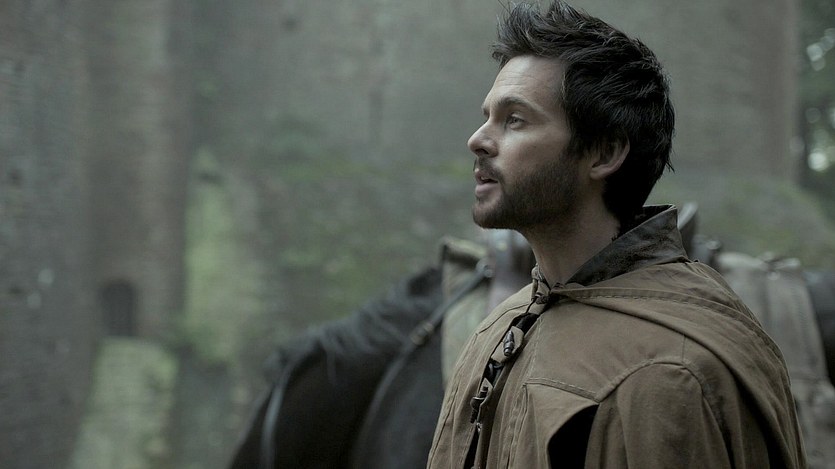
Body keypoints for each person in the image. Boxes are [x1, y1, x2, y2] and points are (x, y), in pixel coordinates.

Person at [425, 2, 806, 468]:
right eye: (487, 116)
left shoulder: (672, 372)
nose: (478, 139)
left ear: (604, 154)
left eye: (515, 120)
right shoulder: (497, 328)